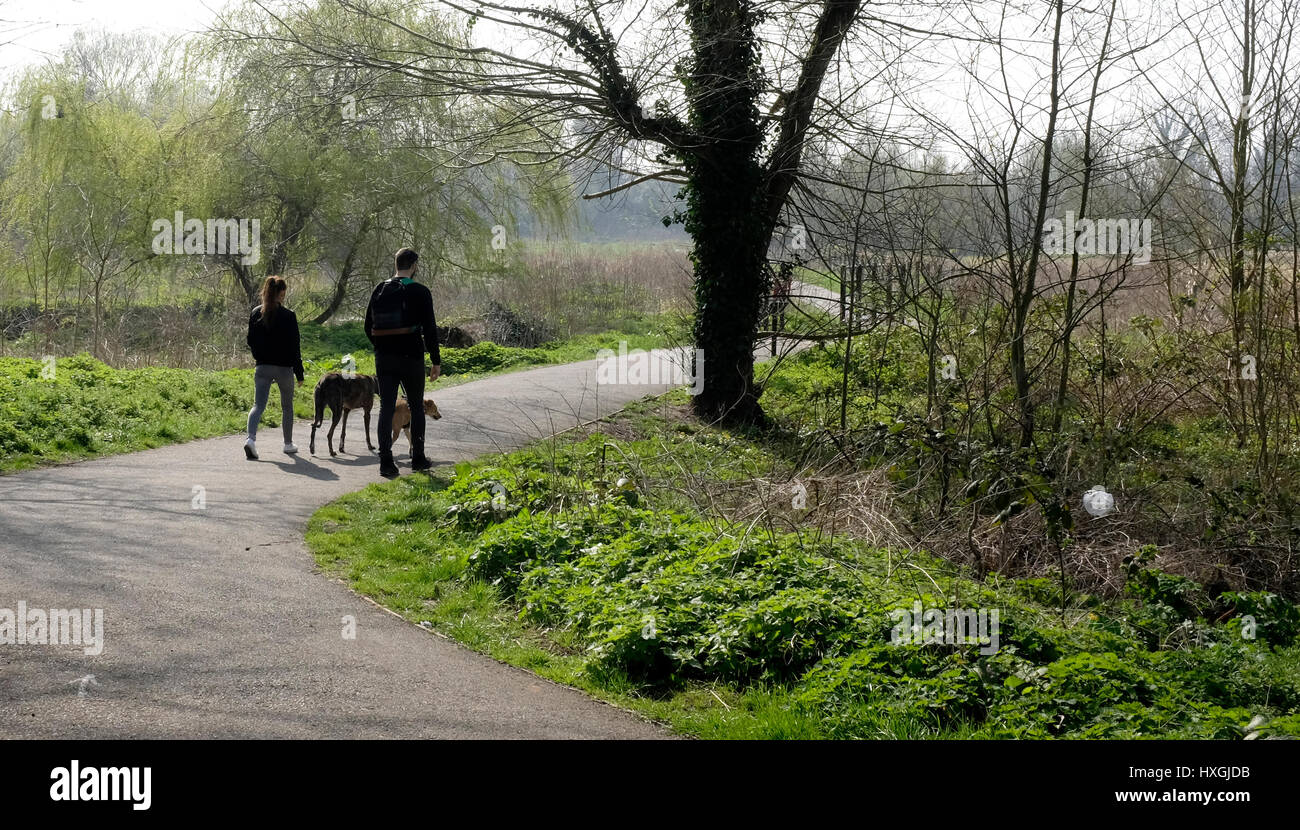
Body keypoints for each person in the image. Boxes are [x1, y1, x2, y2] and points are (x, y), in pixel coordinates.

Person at [365, 247, 441, 478]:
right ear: (414, 266)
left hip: (384, 358)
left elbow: (368, 326)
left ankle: (386, 462)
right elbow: (429, 329)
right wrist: (435, 361)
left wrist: (380, 346)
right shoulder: (420, 291)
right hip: (412, 358)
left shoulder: (380, 289)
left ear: (395, 264)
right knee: (417, 407)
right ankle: (418, 458)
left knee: (386, 407)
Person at [244, 275, 304, 460]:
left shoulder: (256, 313)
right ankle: (287, 444)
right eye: (284, 293)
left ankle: (250, 440)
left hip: (262, 367)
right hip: (284, 368)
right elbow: (295, 347)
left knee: (258, 405)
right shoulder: (289, 316)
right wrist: (299, 372)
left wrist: (259, 357)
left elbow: (250, 341)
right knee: (287, 406)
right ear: (281, 293)